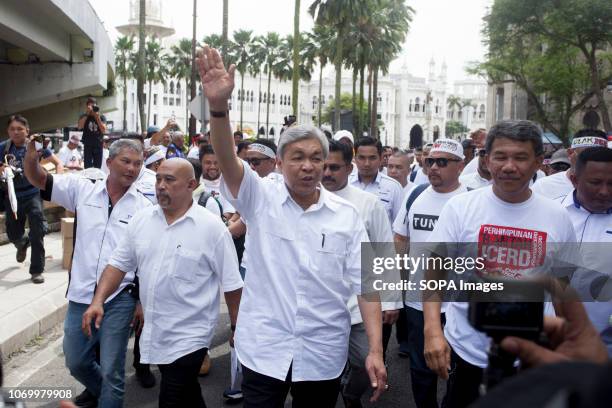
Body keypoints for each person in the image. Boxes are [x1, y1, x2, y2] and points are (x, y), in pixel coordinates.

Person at [197, 45, 387, 407]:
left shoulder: (347, 217)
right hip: (264, 351)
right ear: (281, 162)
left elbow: (367, 288)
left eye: (317, 158)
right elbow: (227, 159)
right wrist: (218, 108)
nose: (308, 166)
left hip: (322, 355)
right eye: (297, 157)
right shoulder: (259, 198)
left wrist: (375, 350)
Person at [422, 120, 578, 408]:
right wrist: (432, 329)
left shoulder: (558, 217)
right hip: (467, 351)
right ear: (487, 159)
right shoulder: (460, 209)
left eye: (520, 157)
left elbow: (562, 290)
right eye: (500, 157)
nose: (509, 166)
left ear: (537, 163)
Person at [82, 158, 243, 408]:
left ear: (191, 184)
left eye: (169, 180)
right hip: (156, 329)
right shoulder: (141, 220)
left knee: (171, 397)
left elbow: (232, 284)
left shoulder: (212, 228)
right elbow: (117, 265)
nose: (160, 185)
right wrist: (98, 301)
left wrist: (237, 327)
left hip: (192, 334)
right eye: (158, 178)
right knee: (187, 394)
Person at [24, 138, 152, 408]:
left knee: (112, 370)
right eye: (125, 161)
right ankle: (107, 394)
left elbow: (144, 260)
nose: (132, 168)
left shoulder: (144, 208)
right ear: (109, 163)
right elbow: (39, 179)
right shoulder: (82, 189)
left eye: (138, 163)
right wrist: (31, 159)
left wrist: (140, 301)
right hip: (81, 295)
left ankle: (110, 397)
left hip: (121, 297)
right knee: (76, 361)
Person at [322, 140, 402, 407]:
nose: (326, 173)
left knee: (366, 362)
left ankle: (351, 392)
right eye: (323, 166)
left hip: (360, 306)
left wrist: (390, 300)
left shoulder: (368, 204)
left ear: (348, 167)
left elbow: (385, 253)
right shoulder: (307, 199)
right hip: (321, 307)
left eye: (334, 167)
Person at [393, 138, 468, 408]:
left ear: (460, 166)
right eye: (429, 162)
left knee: (457, 369)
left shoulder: (470, 201)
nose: (434, 167)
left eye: (442, 162)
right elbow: (400, 239)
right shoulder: (415, 195)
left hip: (457, 304)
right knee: (421, 368)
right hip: (416, 301)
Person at [555, 146, 612, 356]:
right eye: (596, 183)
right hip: (547, 342)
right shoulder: (549, 214)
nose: (604, 191)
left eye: (611, 183)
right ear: (575, 180)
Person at [0, 115, 62, 284]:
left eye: (20, 129)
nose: (16, 132)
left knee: (38, 231)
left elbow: (57, 163)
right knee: (13, 233)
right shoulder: (4, 148)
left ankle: (36, 270)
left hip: (33, 193)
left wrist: (59, 181)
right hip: (12, 196)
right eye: (12, 129)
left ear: (27, 130)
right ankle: (22, 244)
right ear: (8, 131)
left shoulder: (36, 145)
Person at [532, 129, 608, 199]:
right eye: (585, 157)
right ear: (570, 153)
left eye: (601, 157)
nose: (593, 163)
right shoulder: (543, 186)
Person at [350, 136, 404, 225]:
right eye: (362, 158)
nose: (367, 163)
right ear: (355, 159)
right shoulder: (346, 183)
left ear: (380, 159)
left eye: (372, 158)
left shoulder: (394, 187)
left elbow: (399, 227)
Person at [78, 97, 107, 169]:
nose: (92, 108)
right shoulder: (84, 116)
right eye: (90, 106)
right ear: (87, 106)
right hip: (88, 144)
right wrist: (87, 114)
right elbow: (79, 127)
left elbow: (103, 130)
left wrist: (97, 117)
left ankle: (96, 180)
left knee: (97, 167)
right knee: (88, 167)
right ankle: (88, 180)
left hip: (98, 144)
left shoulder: (101, 117)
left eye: (94, 106)